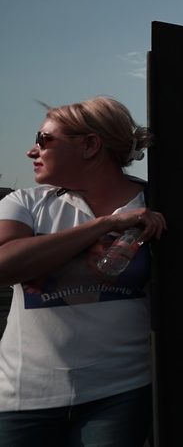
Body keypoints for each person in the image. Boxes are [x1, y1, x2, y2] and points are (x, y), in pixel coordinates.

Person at [0, 97, 167, 446]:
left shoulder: (157, 205)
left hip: (121, 394)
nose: (32, 151)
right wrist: (106, 225)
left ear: (90, 145)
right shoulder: (25, 203)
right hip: (24, 397)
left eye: (43, 140)